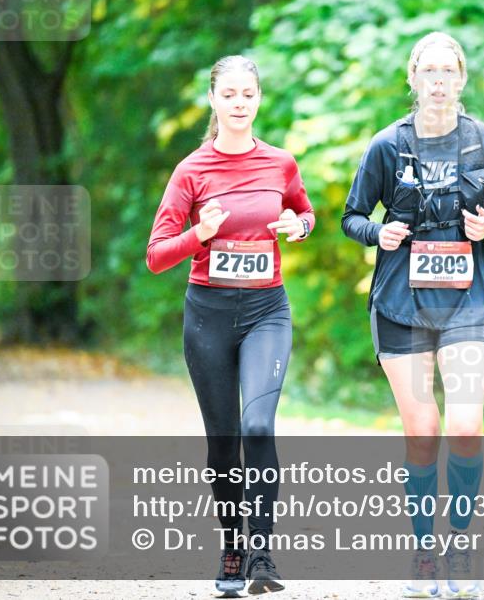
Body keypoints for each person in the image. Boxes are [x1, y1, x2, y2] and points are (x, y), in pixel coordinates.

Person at [342, 32, 484, 599]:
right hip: (401, 301)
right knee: (423, 432)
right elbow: (351, 216)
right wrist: (379, 232)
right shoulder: (386, 146)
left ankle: (461, 547)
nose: (439, 81)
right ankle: (424, 554)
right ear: (413, 78)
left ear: (462, 79)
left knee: (465, 428)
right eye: (429, 71)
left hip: (467, 299)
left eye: (449, 71)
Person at [146, 55, 314, 595]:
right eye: (230, 94)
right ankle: (233, 548)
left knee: (258, 427)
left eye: (249, 94)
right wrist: (200, 234)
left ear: (258, 99)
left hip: (267, 310)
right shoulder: (191, 170)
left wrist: (298, 225)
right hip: (209, 315)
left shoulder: (281, 163)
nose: (240, 103)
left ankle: (263, 555)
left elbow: (304, 213)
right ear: (214, 101)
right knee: (223, 442)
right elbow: (156, 255)